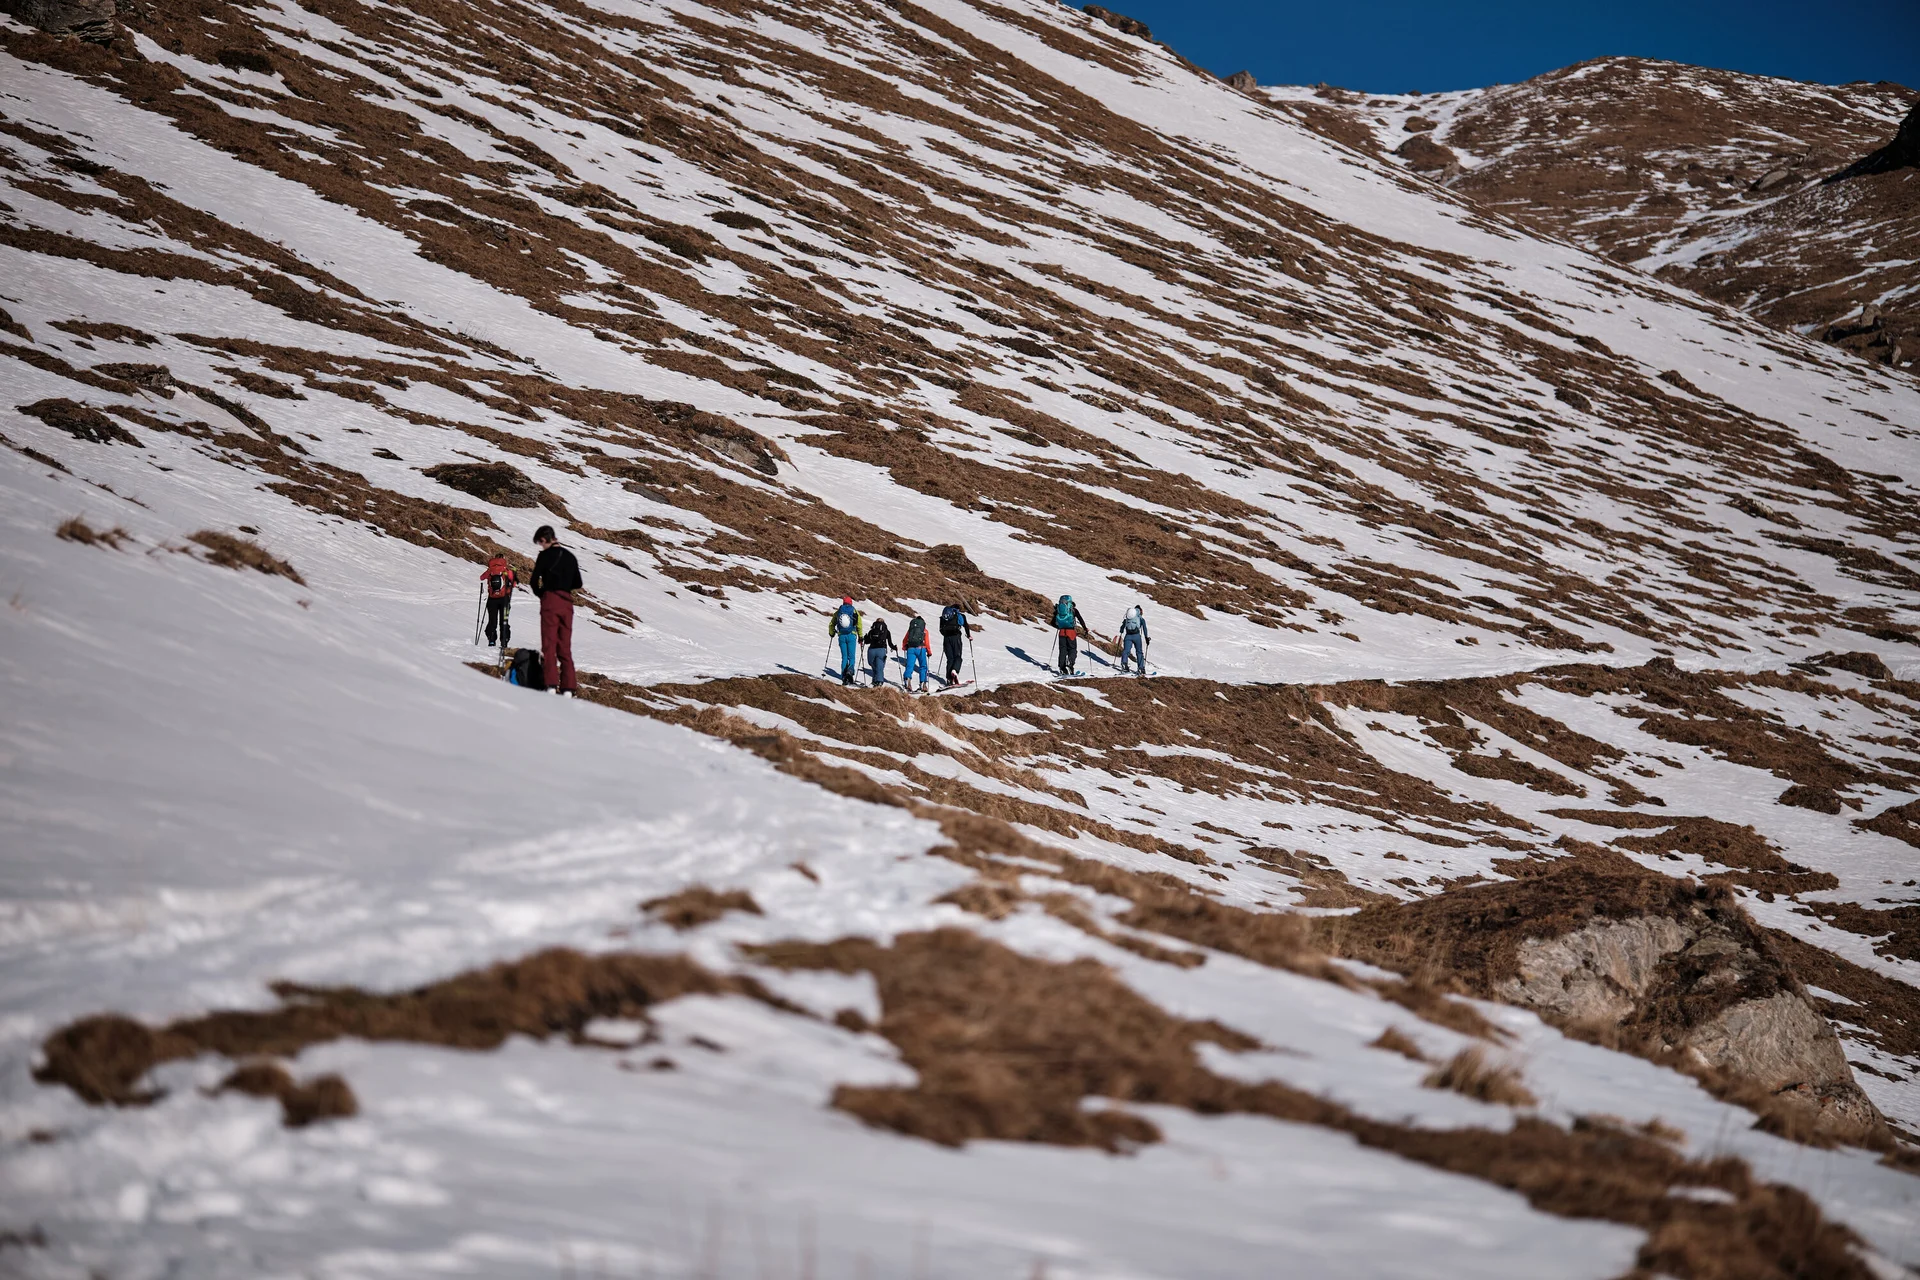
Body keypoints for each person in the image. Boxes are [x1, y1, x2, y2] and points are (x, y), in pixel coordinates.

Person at [529, 525, 582, 697]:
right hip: (567, 603)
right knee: (564, 646)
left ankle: (551, 685)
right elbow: (578, 583)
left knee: (549, 644)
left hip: (550, 601)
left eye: (540, 543)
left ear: (544, 539)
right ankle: (568, 688)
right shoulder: (570, 556)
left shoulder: (544, 556)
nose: (541, 546)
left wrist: (542, 594)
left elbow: (533, 580)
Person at [481, 554, 516, 651]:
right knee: (503, 621)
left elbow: (481, 577)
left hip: (492, 599)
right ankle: (504, 641)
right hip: (504, 599)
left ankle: (491, 640)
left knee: (492, 620)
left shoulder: (490, 570)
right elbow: (514, 584)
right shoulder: (506, 570)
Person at [828, 596, 863, 686]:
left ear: (843, 602)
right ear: (851, 603)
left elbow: (832, 624)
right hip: (852, 635)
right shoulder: (854, 611)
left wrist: (832, 633)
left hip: (841, 636)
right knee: (851, 657)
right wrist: (860, 636)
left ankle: (844, 677)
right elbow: (859, 624)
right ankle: (849, 673)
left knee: (844, 657)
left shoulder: (839, 612)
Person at [1052, 594, 1088, 676]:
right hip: (1071, 632)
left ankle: (1062, 668)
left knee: (1062, 650)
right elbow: (1080, 619)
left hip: (1061, 632)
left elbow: (1053, 622)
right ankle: (1070, 664)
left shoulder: (1058, 610)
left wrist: (1059, 626)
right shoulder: (1073, 610)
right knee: (1072, 649)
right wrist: (1085, 628)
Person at [939, 602, 973, 686]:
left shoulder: (944, 616)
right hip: (956, 638)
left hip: (946, 639)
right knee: (958, 656)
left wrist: (946, 635)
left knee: (950, 659)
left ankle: (949, 679)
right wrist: (969, 636)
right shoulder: (960, 616)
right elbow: (966, 626)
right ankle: (955, 670)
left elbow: (941, 629)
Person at [1116, 603, 1149, 676]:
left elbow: (1123, 626)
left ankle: (1124, 664)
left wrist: (1121, 631)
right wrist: (1146, 638)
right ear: (1140, 611)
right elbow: (1144, 628)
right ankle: (1141, 668)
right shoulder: (1140, 617)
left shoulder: (1129, 616)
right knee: (1139, 652)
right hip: (1136, 636)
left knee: (1126, 650)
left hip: (1128, 636)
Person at [901, 613, 931, 693]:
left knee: (909, 666)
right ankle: (923, 684)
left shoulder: (911, 630)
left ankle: (907, 681)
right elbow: (927, 643)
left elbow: (905, 640)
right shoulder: (925, 631)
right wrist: (929, 652)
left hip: (910, 649)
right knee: (923, 667)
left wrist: (904, 647)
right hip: (921, 649)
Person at [863, 614, 894, 688]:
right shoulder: (886, 631)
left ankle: (874, 681)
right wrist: (894, 647)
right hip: (881, 650)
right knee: (879, 667)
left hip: (871, 650)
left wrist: (865, 638)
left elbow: (867, 641)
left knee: (873, 665)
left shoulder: (872, 631)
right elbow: (890, 643)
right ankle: (879, 682)